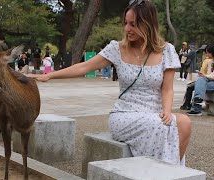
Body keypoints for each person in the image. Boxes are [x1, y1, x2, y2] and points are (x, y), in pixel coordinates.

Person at [28, 0, 191, 165]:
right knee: (162, 127)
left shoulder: (166, 50)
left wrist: (167, 111)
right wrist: (50, 75)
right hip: (125, 115)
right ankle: (162, 172)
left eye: (133, 24)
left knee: (184, 123)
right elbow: (84, 67)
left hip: (154, 113)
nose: (127, 29)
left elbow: (167, 90)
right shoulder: (117, 48)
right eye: (126, 23)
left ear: (148, 24)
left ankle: (171, 171)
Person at [180, 44, 214, 110]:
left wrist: (204, 76)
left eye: (208, 53)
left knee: (199, 82)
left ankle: (195, 103)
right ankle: (195, 102)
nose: (207, 54)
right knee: (198, 81)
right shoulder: (211, 62)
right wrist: (203, 75)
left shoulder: (208, 61)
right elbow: (209, 74)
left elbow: (212, 76)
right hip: (209, 81)